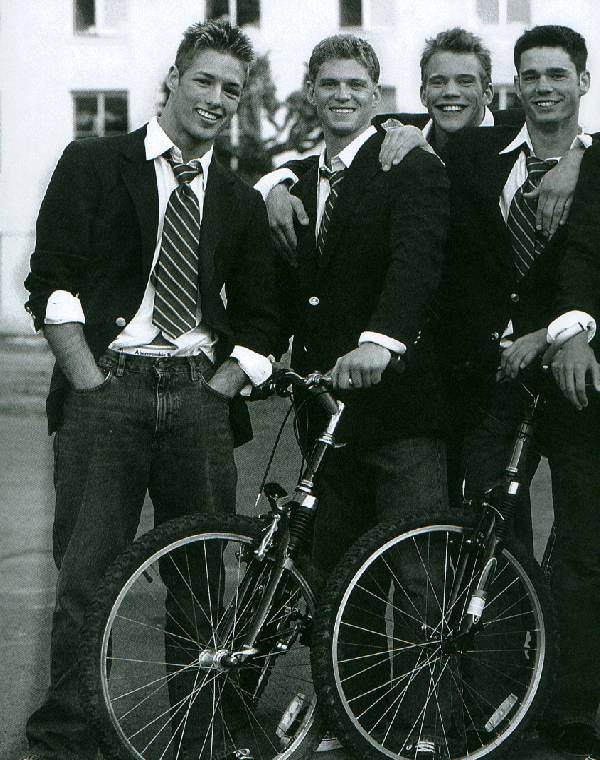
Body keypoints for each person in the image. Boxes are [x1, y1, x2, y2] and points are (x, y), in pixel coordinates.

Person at [22, 19, 280, 760]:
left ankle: (197, 734)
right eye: (204, 80)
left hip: (198, 397)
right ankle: (68, 737)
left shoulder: (237, 198)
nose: (216, 99)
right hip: (110, 390)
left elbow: (265, 312)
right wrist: (87, 378)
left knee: (200, 583)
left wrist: (223, 384)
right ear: (172, 77)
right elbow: (52, 279)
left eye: (232, 90)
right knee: (86, 579)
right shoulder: (94, 163)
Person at [274, 33, 450, 757]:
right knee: (340, 577)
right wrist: (272, 185)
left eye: (356, 85)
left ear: (376, 96)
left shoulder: (408, 163)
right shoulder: (295, 179)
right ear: (311, 94)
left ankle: (428, 726)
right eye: (329, 84)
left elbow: (418, 259)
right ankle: (354, 719)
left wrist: (382, 340)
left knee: (416, 575)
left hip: (401, 407)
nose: (342, 95)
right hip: (329, 412)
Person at [441, 25, 599, 757]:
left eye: (557, 74)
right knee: (492, 536)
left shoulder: (598, 163)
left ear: (583, 82)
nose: (543, 86)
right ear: (515, 84)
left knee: (584, 547)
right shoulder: (477, 154)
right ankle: (498, 696)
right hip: (494, 376)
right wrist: (279, 182)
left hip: (575, 377)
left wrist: (580, 159)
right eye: (530, 74)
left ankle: (571, 705)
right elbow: (385, 136)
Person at [258, 27, 577, 263]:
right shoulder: (393, 128)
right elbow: (332, 157)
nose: (451, 92)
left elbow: (581, 135)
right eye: (438, 82)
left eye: (465, 81)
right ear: (423, 93)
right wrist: (277, 184)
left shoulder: (518, 128)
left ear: (489, 93)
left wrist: (577, 156)